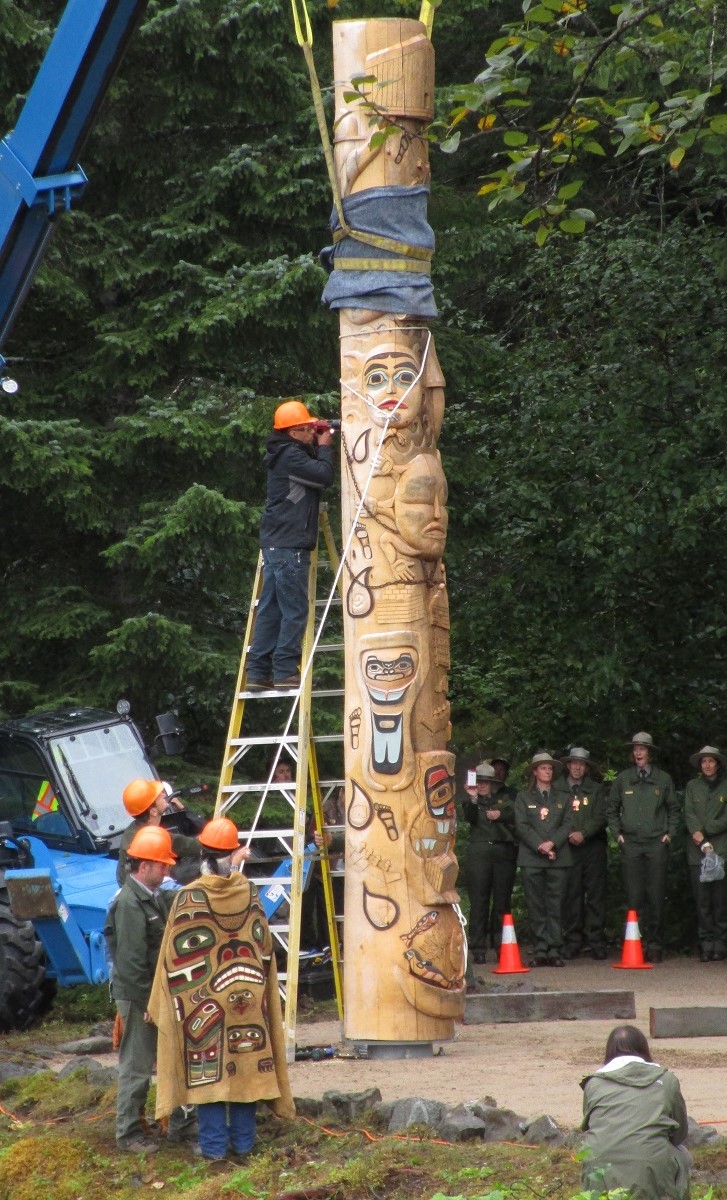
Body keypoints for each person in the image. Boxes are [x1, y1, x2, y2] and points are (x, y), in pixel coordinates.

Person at [148, 817, 294, 1164]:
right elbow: (265, 952)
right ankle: (244, 1147)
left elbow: (172, 958)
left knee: (208, 1076)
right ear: (233, 854)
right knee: (246, 1072)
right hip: (249, 1004)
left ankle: (214, 1151)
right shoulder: (251, 895)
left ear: (202, 854)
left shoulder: (188, 897)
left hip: (203, 1005)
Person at [105, 825, 196, 1152]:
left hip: (153, 994)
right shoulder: (130, 904)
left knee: (174, 1060)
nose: (168, 869)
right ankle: (128, 1134)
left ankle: (177, 1125)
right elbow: (130, 964)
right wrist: (149, 1003)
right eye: (162, 865)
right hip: (140, 996)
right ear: (144, 866)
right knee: (137, 1065)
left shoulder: (151, 896)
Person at [246, 399, 335, 692]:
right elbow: (323, 476)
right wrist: (324, 446)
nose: (312, 431)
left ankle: (258, 672)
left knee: (271, 609)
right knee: (295, 609)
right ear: (293, 433)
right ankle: (285, 671)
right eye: (306, 428)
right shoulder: (290, 458)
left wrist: (318, 439)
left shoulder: (284, 452)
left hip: (277, 543)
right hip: (289, 544)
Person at [580, 1024, 691, 1200]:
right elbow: (679, 1135)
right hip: (651, 1169)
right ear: (644, 1049)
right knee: (683, 1154)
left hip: (600, 1172)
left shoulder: (593, 1084)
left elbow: (590, 1128)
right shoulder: (667, 1080)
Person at [608, 732, 680, 963]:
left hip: (656, 843)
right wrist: (617, 835)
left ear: (650, 752)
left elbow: (674, 809)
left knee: (656, 895)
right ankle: (635, 942)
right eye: (636, 748)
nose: (638, 752)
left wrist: (670, 834)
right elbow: (611, 809)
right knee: (634, 895)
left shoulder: (663, 779)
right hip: (631, 844)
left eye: (643, 748)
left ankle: (655, 944)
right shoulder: (623, 778)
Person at [514, 752, 572, 967]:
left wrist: (552, 844)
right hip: (532, 858)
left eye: (550, 768)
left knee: (555, 904)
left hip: (558, 858)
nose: (547, 771)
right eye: (543, 768)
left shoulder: (564, 797)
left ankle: (555, 948)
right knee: (536, 905)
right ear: (535, 772)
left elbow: (567, 824)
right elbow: (521, 826)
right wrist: (540, 845)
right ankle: (540, 949)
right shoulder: (523, 797)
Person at [462, 762, 517, 963]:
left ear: (493, 783)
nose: (483, 785)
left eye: (486, 782)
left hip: (503, 854)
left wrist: (499, 814)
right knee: (479, 901)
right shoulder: (471, 801)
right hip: (479, 856)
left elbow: (515, 812)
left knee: (502, 902)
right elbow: (470, 817)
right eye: (479, 782)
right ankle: (478, 947)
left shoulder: (505, 799)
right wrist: (473, 796)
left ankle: (503, 945)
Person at [556, 747, 608, 959]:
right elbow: (553, 815)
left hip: (593, 847)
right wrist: (568, 833)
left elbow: (601, 816)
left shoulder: (596, 789)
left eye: (581, 764)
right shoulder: (557, 788)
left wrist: (584, 833)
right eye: (574, 763)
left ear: (586, 768)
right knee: (572, 895)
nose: (577, 767)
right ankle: (573, 940)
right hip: (567, 847)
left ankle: (596, 940)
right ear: (568, 765)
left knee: (595, 895)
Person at [684, 744, 727, 962]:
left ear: (717, 764)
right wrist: (698, 834)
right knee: (702, 901)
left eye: (711, 761)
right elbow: (689, 813)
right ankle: (706, 943)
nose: (707, 765)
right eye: (704, 761)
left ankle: (720, 944)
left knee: (719, 901)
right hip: (697, 851)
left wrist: (707, 830)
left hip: (721, 849)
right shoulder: (692, 785)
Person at [117, 778, 202, 887]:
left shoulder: (138, 830)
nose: (163, 795)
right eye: (158, 796)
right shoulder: (148, 837)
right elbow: (187, 845)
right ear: (153, 811)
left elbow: (184, 844)